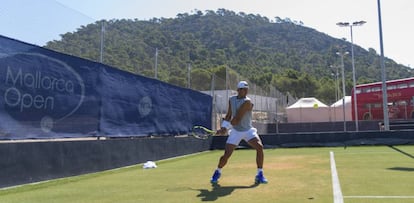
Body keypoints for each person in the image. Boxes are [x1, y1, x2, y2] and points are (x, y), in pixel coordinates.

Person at [210, 81, 268, 184]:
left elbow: (237, 119)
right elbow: (228, 116)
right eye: (242, 89)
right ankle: (217, 171)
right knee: (226, 155)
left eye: (246, 90)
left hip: (248, 130)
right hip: (236, 131)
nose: (245, 91)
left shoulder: (247, 102)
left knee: (259, 147)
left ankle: (260, 174)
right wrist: (223, 127)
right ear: (238, 90)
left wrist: (224, 129)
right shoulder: (231, 100)